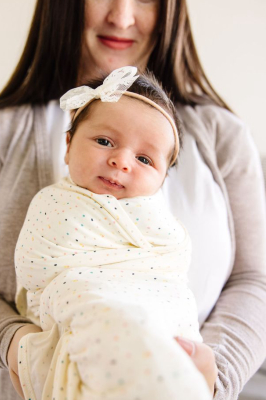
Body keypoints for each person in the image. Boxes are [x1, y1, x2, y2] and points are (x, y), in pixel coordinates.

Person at [0, 1, 265, 400]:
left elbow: (254, 282)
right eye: (103, 141)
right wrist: (13, 343)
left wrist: (213, 376)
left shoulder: (222, 136)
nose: (121, 16)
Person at [14, 67, 211, 400]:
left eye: (144, 159)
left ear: (162, 182)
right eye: (104, 141)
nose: (121, 161)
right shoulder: (53, 203)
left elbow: (173, 263)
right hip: (87, 303)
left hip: (162, 315)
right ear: (68, 143)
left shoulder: (159, 220)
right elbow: (38, 267)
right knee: (107, 315)